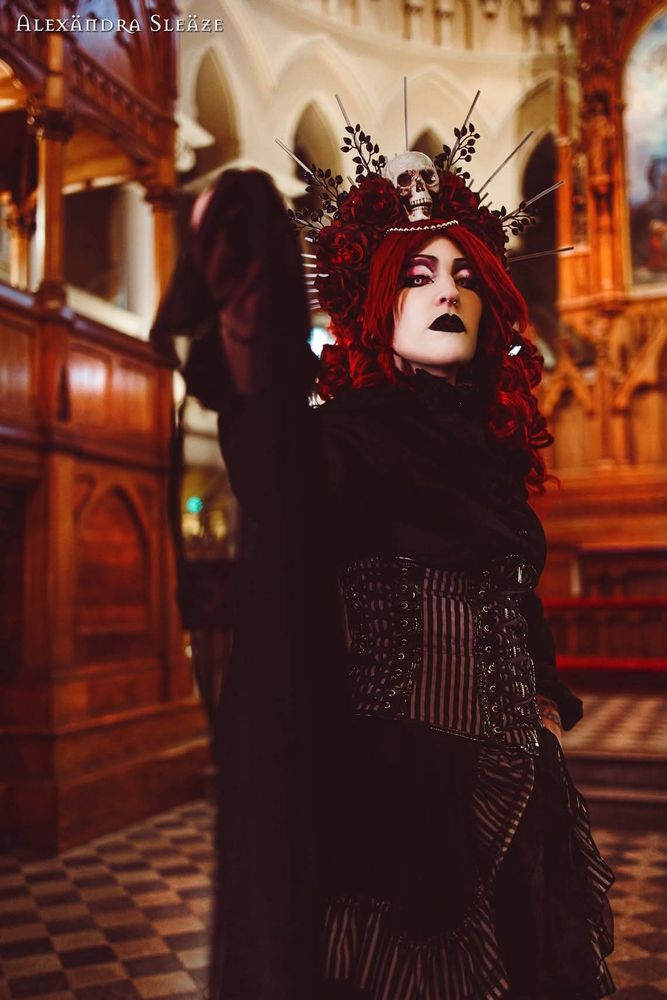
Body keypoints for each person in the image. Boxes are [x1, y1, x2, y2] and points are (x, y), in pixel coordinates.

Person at [152, 124, 614, 1000]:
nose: (449, 293)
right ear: (374, 303)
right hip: (401, 802)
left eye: (467, 277)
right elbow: (277, 469)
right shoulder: (339, 443)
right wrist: (251, 308)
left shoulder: (490, 455)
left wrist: (543, 712)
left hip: (528, 794)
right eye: (419, 275)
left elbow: (515, 603)